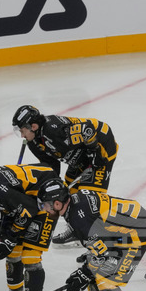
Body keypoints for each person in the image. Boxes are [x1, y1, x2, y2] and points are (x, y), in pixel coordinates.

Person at [11, 104, 120, 245]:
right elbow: (51, 166)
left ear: (34, 126)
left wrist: (95, 155)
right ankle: (77, 230)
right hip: (80, 155)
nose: (21, 135)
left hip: (102, 146)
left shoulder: (53, 130)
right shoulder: (34, 142)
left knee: (91, 197)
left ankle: (100, 237)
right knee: (68, 193)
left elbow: (87, 130)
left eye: (22, 130)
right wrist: (49, 185)